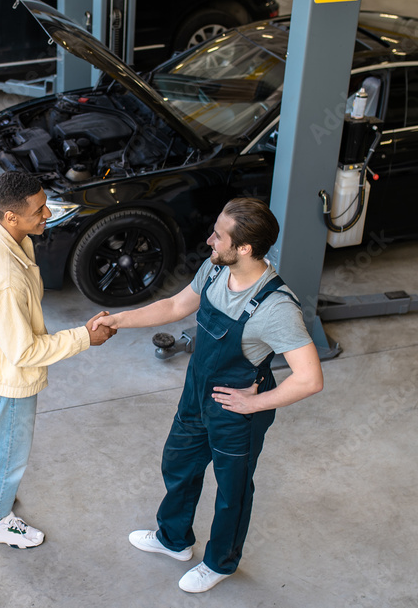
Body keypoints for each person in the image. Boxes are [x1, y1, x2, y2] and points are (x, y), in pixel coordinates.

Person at [92, 198, 323, 592]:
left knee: (232, 492)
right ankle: (173, 539)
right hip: (197, 393)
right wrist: (115, 320)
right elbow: (176, 305)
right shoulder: (217, 268)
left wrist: (253, 403)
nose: (209, 239)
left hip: (236, 411)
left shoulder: (276, 307)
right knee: (178, 462)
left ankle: (220, 563)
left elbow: (310, 378)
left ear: (245, 248)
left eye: (219, 235)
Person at [0, 170, 115, 549]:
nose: (48, 214)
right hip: (8, 373)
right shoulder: (5, 280)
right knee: (9, 444)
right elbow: (24, 351)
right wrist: (84, 337)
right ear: (11, 216)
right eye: (39, 210)